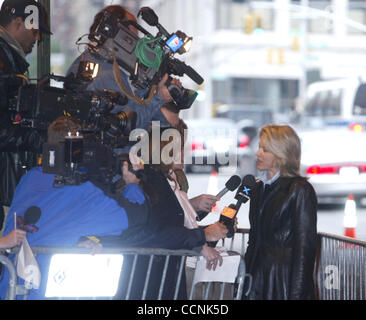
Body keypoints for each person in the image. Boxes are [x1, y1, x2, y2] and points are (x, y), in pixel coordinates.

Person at [0, 116, 227, 300]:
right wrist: (132, 185)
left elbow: (49, 222)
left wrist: (79, 240)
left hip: (11, 288)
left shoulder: (30, 179)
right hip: (43, 290)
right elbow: (134, 217)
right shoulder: (84, 192)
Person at [67, 5, 181, 132]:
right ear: (118, 34)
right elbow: (129, 126)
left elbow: (139, 110)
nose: (138, 44)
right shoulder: (105, 74)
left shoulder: (94, 64)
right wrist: (159, 97)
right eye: (133, 36)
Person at [243, 125, 318, 300]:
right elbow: (254, 241)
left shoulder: (300, 190)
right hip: (255, 281)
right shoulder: (258, 188)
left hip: (282, 284)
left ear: (281, 154)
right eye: (259, 147)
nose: (258, 153)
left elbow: (304, 250)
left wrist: (297, 294)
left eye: (265, 149)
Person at [0, 0, 52, 230]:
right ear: (18, 23)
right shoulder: (4, 61)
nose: (38, 38)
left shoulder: (10, 61)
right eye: (36, 30)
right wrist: (43, 138)